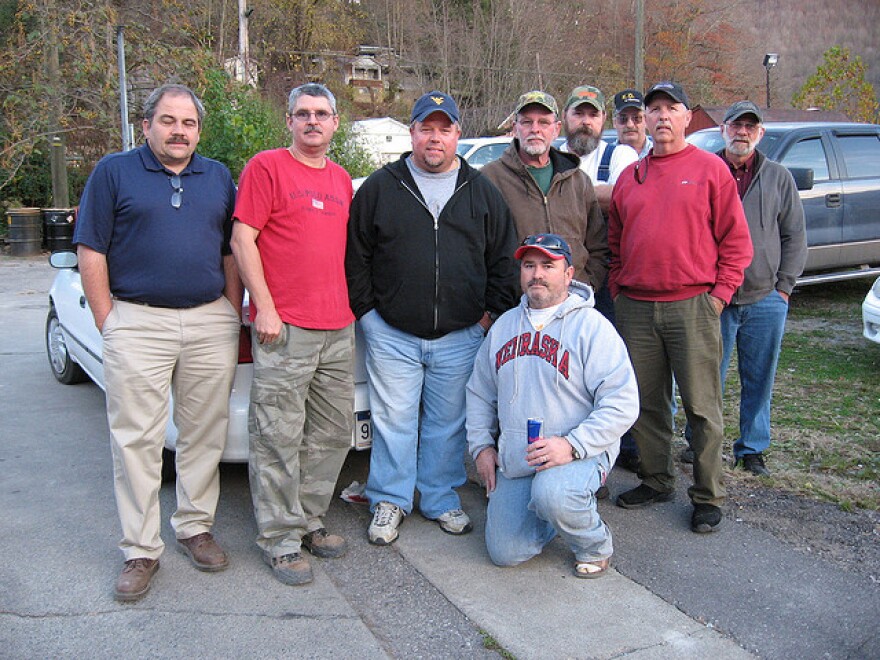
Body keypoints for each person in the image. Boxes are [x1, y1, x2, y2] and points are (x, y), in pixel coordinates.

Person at [74, 84, 242, 601]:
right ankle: (140, 549)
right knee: (137, 441)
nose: (178, 131)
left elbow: (230, 250)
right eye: (168, 121)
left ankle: (194, 526)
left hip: (209, 321)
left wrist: (231, 312)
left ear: (198, 130)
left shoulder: (216, 176)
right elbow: (90, 247)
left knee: (204, 434)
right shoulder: (113, 172)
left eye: (188, 123)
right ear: (145, 126)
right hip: (138, 321)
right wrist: (109, 321)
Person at [346, 91, 519, 546]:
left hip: (462, 334)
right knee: (394, 420)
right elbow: (356, 257)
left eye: (445, 129)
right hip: (393, 333)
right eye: (427, 128)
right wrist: (368, 316)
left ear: (458, 135)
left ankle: (439, 497)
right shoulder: (382, 187)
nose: (435, 138)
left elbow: (504, 260)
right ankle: (390, 499)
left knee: (447, 422)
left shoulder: (481, 190)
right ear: (413, 133)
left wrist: (487, 321)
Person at [608, 82, 753, 533]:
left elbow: (737, 242)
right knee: (646, 403)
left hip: (693, 306)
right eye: (654, 110)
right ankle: (656, 478)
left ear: (688, 117)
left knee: (702, 406)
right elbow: (614, 242)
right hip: (635, 307)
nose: (662, 117)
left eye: (672, 109)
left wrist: (718, 297)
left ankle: (708, 495)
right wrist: (617, 288)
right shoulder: (630, 178)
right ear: (644, 120)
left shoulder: (710, 170)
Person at [231, 83, 354, 586]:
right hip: (285, 327)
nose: (312, 122)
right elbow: (243, 238)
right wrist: (264, 307)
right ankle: (280, 540)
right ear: (289, 121)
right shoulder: (266, 168)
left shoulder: (343, 179)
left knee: (329, 434)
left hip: (337, 327)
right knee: (277, 436)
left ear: (335, 123)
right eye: (302, 113)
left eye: (321, 114)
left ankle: (309, 520)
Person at [466, 233, 638, 577]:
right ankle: (551, 510)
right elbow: (479, 392)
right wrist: (482, 447)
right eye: (529, 265)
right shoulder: (503, 328)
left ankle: (593, 544)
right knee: (505, 552)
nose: (537, 274)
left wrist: (572, 446)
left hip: (579, 452)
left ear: (569, 274)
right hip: (519, 456)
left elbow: (622, 403)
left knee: (554, 493)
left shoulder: (593, 328)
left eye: (548, 265)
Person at [703, 100, 807, 475]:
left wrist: (783, 289)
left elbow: (794, 236)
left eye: (750, 126)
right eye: (735, 125)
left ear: (760, 133)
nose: (742, 132)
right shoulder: (706, 170)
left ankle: (751, 449)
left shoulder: (778, 176)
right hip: (715, 299)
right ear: (723, 129)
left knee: (759, 377)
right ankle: (700, 442)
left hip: (765, 298)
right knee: (707, 377)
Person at [481, 91, 608, 297]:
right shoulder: (489, 178)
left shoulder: (578, 180)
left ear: (556, 129)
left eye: (543, 122)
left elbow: (598, 246)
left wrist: (588, 284)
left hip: (573, 304)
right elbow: (479, 249)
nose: (535, 129)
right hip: (515, 305)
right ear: (515, 128)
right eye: (527, 122)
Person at [560, 85, 638, 213]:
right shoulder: (551, 157)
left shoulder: (621, 155)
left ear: (603, 118)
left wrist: (560, 195)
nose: (586, 122)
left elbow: (624, 196)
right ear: (564, 116)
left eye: (593, 115)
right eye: (578, 114)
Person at [612, 89, 652, 159]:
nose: (630, 125)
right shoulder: (606, 157)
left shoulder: (659, 154)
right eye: (623, 119)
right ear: (614, 122)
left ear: (646, 120)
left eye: (636, 118)